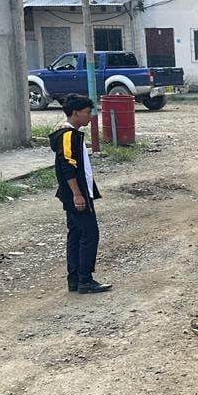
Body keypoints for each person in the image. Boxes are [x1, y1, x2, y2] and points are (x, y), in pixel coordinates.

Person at [49, 95, 112, 294]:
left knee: (76, 234)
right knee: (90, 234)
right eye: (87, 112)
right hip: (76, 193)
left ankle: (75, 279)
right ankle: (85, 279)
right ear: (75, 113)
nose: (90, 117)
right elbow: (67, 166)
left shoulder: (70, 134)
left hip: (76, 192)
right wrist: (77, 194)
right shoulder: (68, 135)